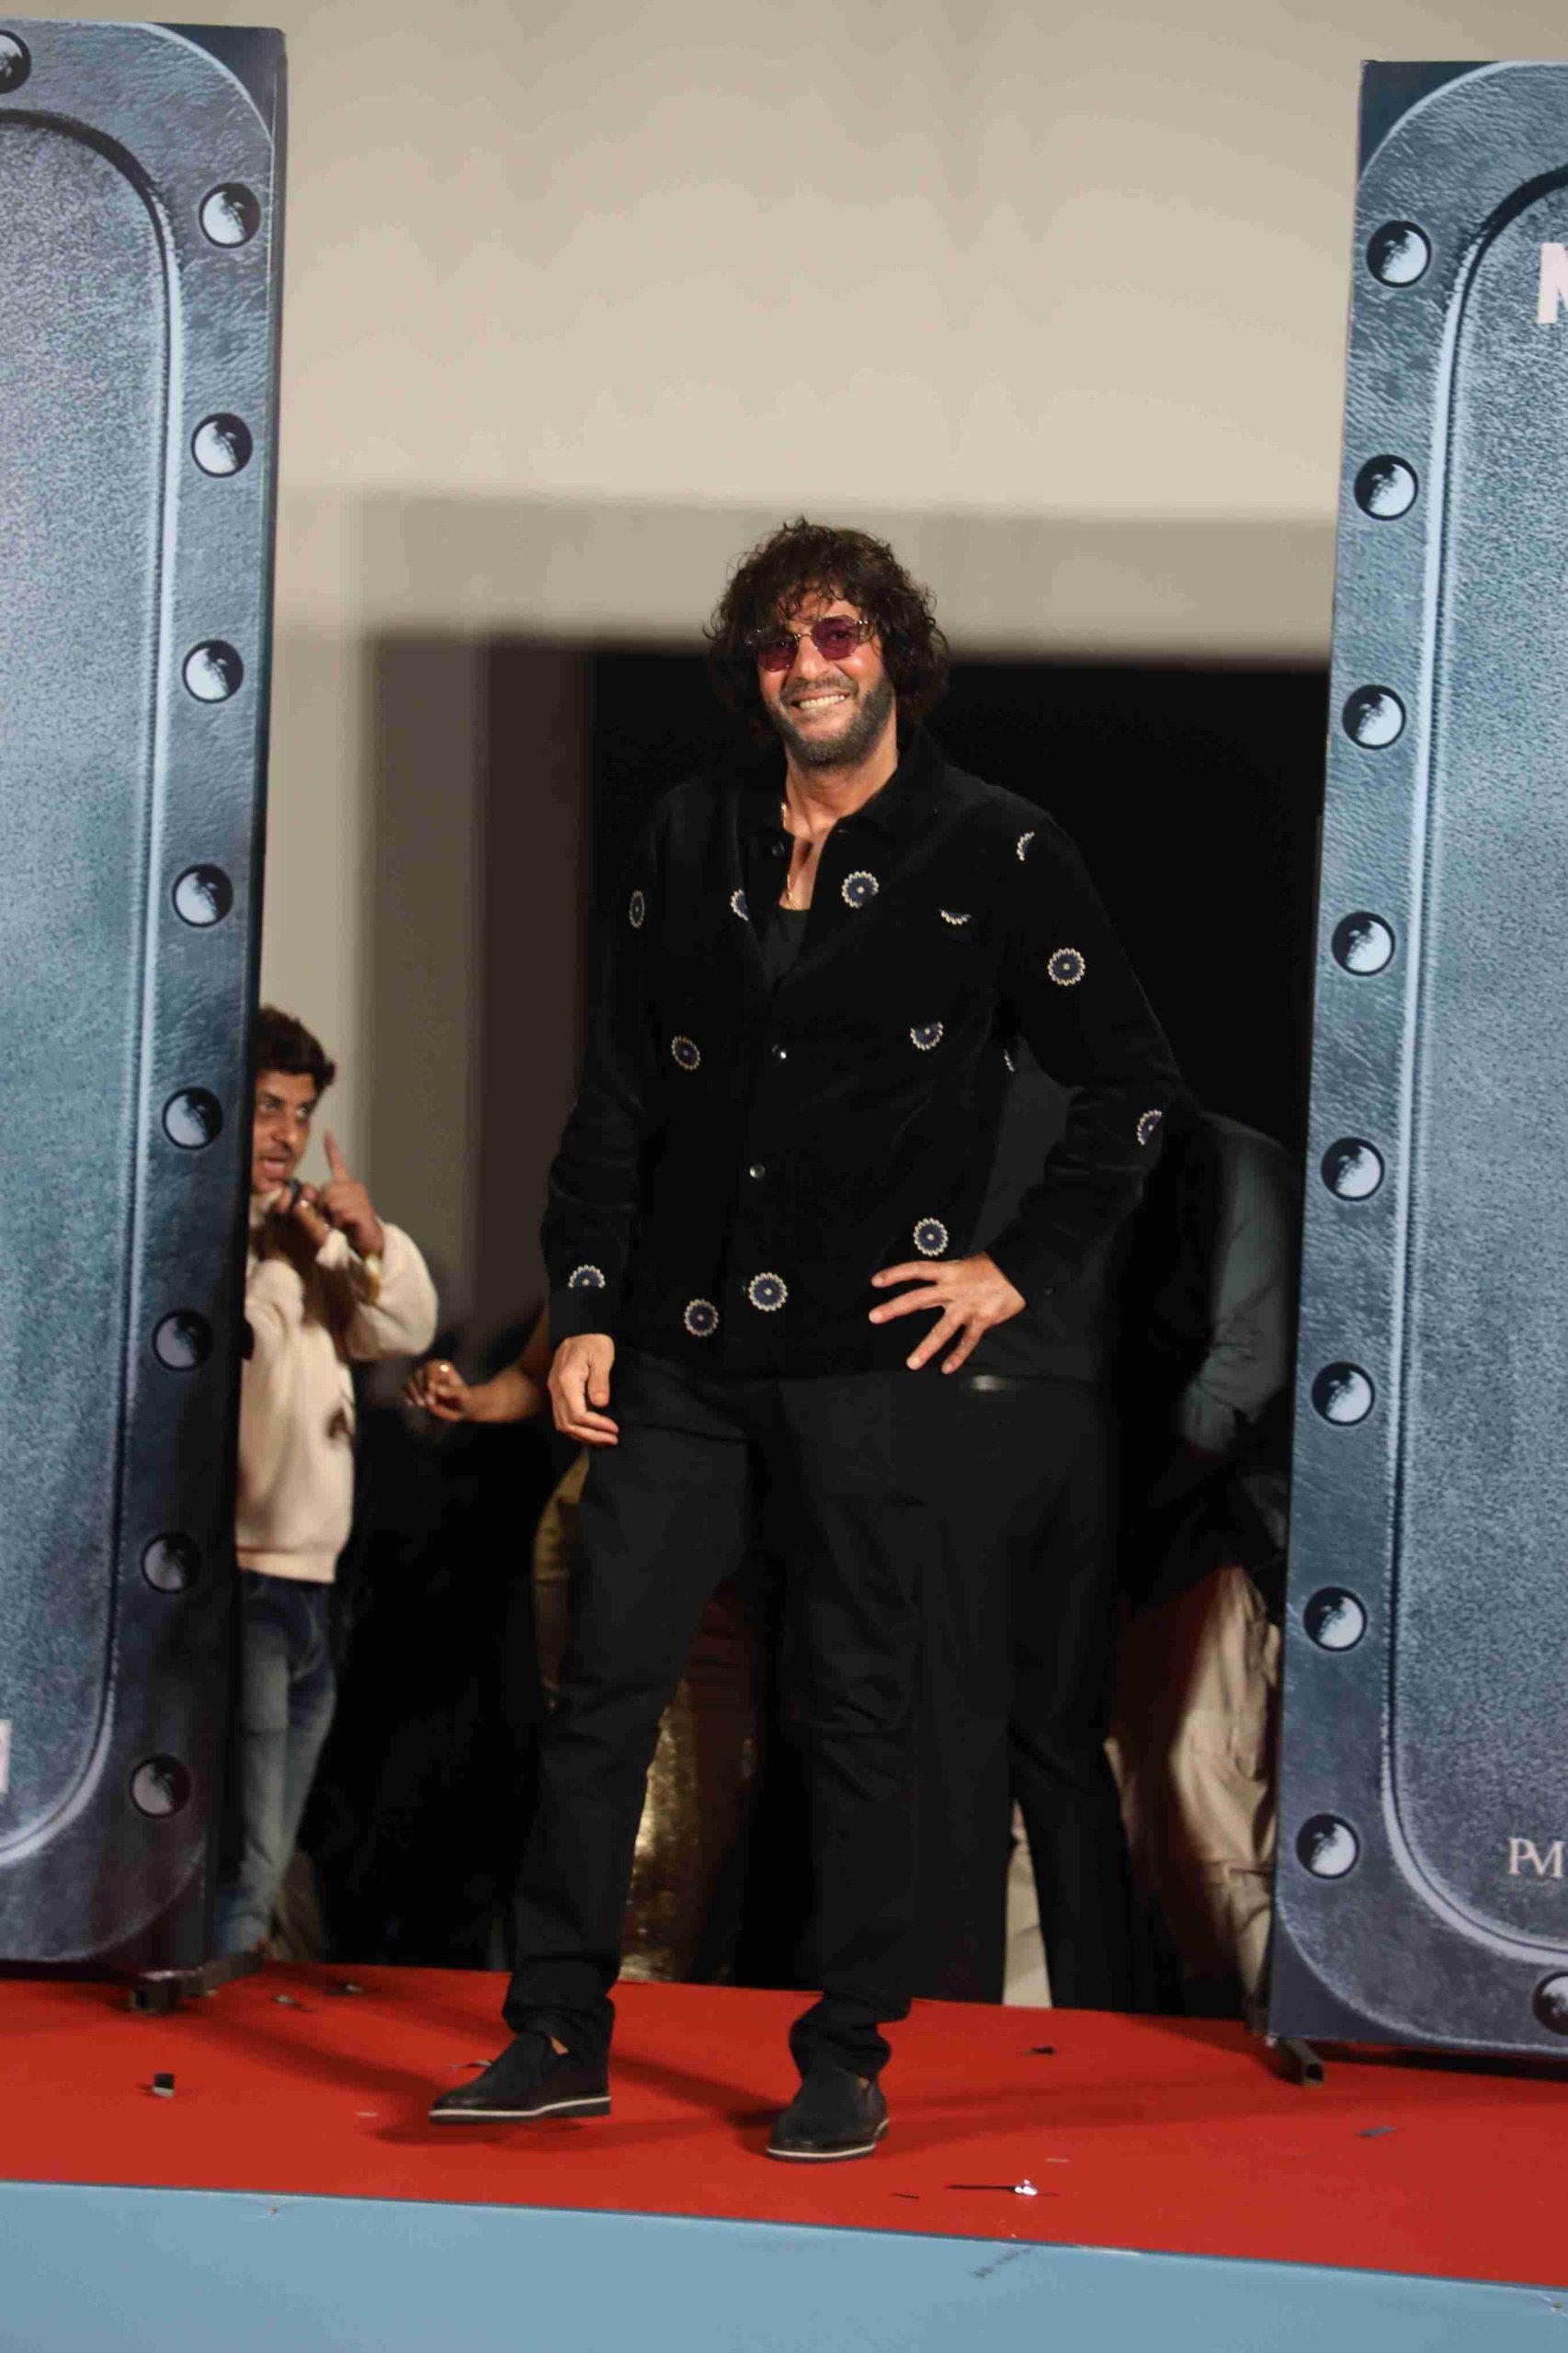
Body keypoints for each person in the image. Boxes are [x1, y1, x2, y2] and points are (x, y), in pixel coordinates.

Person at [428, 518, 1179, 2158]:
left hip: (865, 1363)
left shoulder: (998, 848)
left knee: (858, 1704)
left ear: (892, 653)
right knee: (602, 1694)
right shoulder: (687, 831)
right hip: (676, 1353)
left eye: (838, 634)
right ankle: (555, 2031)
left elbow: (1129, 1089)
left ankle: (845, 2052)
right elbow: (617, 1096)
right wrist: (585, 1305)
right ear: (749, 672)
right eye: (777, 643)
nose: (808, 666)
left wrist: (1015, 1270)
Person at [213, 1007, 437, 1958]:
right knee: (251, 1850)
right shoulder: (207, 1235)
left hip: (313, 1583)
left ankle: (224, 1984)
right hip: (243, 1574)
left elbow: (401, 1330)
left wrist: (366, 1238)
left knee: (269, 1845)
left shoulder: (299, 1231)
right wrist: (279, 1265)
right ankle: (209, 2000)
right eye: (268, 1106)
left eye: (301, 1113)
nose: (287, 1135)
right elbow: (230, 1369)